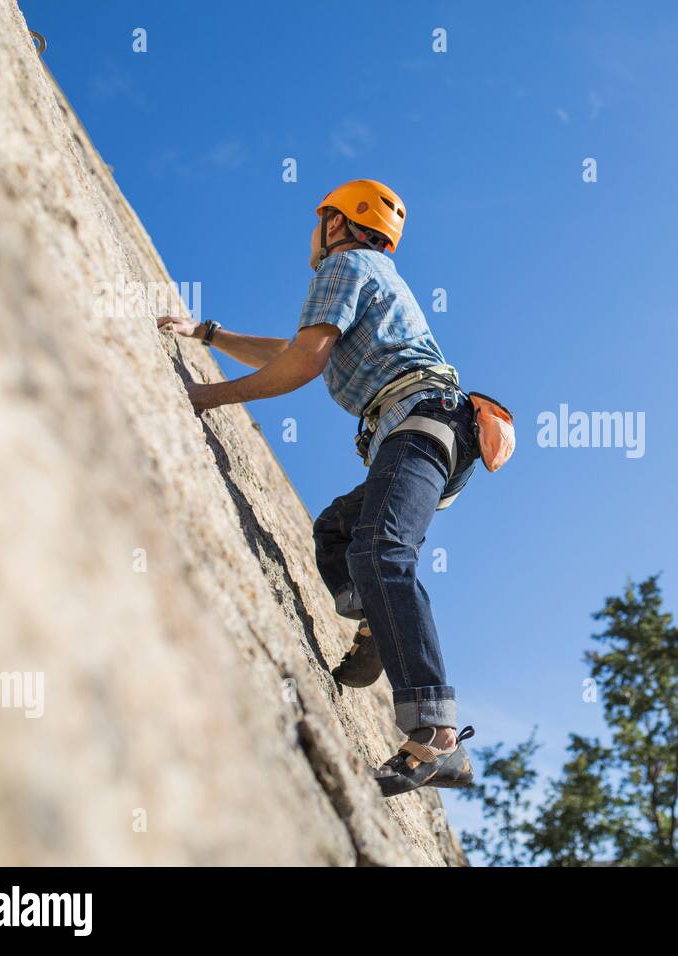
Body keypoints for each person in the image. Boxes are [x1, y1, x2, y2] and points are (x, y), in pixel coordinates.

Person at [158, 179, 477, 796]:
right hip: (432, 430)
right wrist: (210, 334)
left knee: (382, 553)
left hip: (419, 421)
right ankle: (375, 627)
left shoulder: (347, 263)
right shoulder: (372, 276)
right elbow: (298, 350)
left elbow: (303, 365)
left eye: (320, 219)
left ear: (339, 223)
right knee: (339, 533)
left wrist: (206, 397)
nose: (314, 232)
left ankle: (435, 737)